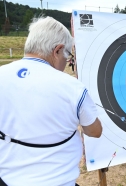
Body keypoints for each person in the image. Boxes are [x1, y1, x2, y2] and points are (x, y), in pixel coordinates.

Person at [0, 16, 102, 186]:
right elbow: (95, 131)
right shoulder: (73, 87)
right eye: (68, 55)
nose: (67, 61)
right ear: (57, 50)